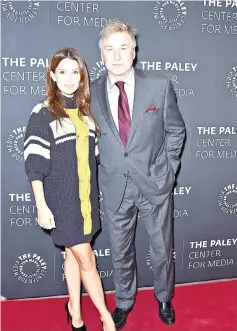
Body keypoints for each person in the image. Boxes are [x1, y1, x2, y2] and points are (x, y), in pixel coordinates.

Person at [90, 19, 185, 330]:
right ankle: (124, 303)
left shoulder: (159, 85)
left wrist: (168, 171)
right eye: (109, 49)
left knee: (161, 247)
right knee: (120, 252)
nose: (116, 56)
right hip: (115, 186)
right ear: (101, 53)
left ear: (134, 51)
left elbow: (175, 131)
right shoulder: (89, 94)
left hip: (154, 185)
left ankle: (163, 299)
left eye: (123, 48)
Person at [24, 48, 116, 331]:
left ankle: (75, 312)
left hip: (86, 200)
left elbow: (94, 160)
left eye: (74, 72)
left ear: (82, 77)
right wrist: (41, 205)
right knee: (87, 259)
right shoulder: (43, 112)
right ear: (52, 75)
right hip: (61, 203)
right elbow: (34, 163)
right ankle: (106, 316)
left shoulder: (86, 116)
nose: (68, 78)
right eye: (62, 72)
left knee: (72, 255)